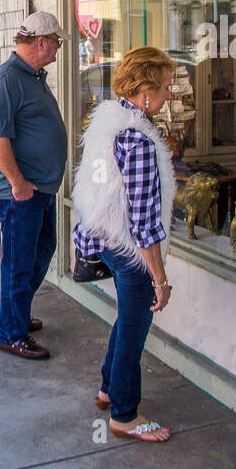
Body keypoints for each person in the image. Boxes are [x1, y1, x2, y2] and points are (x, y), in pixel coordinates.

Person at [72, 47, 178, 442]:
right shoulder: (139, 142)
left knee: (126, 321)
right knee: (135, 328)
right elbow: (143, 221)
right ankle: (125, 414)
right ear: (145, 89)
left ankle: (106, 389)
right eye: (166, 87)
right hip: (130, 251)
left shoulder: (108, 122)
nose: (170, 95)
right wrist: (160, 277)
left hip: (106, 240)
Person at [0, 12, 70, 360]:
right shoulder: (6, 79)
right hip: (21, 194)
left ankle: (12, 313)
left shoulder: (31, 76)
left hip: (39, 191)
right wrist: (18, 184)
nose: (59, 48)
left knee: (41, 253)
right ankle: (12, 334)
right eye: (57, 42)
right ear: (41, 42)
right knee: (20, 264)